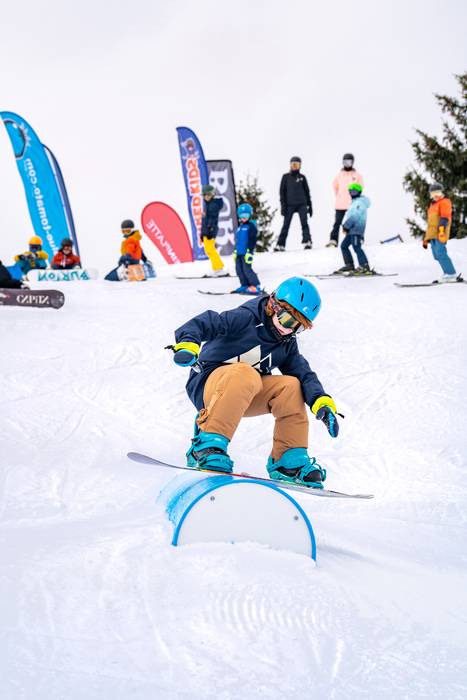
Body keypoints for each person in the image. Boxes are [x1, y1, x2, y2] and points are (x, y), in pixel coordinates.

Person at [170, 276, 339, 489]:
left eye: (298, 328)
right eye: (287, 321)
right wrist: (188, 344)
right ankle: (207, 445)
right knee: (245, 373)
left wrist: (321, 402)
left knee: (291, 386)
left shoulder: (285, 341)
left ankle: (289, 461)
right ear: (274, 305)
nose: (289, 330)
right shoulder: (246, 317)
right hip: (207, 384)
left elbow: (304, 374)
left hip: (243, 392)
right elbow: (206, 322)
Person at [422, 183, 458, 283]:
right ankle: (447, 273)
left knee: (441, 253)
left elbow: (445, 217)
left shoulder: (444, 202)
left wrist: (441, 230)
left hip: (440, 233)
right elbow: (430, 224)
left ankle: (451, 273)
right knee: (436, 255)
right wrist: (426, 239)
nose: (436, 196)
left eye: (438, 193)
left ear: (441, 192)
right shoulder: (432, 205)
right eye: (433, 194)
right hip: (432, 234)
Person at [275, 157, 313, 251]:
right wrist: (283, 206)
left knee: (304, 223)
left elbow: (307, 192)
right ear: (290, 165)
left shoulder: (302, 177)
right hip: (289, 205)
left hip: (302, 204)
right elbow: (282, 192)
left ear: (300, 166)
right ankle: (280, 244)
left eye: (297, 164)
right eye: (293, 164)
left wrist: (310, 205)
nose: (295, 166)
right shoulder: (286, 177)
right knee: (286, 224)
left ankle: (307, 241)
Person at [326, 153, 364, 247]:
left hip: (352, 204)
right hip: (340, 204)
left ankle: (357, 239)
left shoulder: (357, 175)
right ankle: (333, 240)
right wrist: (339, 196)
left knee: (354, 222)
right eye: (345, 162)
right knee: (337, 223)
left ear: (352, 162)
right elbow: (335, 186)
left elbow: (360, 187)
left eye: (349, 162)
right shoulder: (339, 175)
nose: (347, 164)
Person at [336, 183, 371, 274]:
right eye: (350, 191)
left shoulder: (360, 203)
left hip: (356, 229)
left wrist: (346, 225)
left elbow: (355, 216)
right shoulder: (354, 202)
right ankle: (349, 265)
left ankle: (364, 265)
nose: (352, 193)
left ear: (359, 192)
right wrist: (347, 227)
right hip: (351, 229)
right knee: (344, 246)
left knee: (356, 247)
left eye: (354, 191)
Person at [233, 203, 262, 295]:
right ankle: (245, 285)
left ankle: (255, 285)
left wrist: (250, 251)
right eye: (242, 215)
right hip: (239, 253)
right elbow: (237, 240)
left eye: (246, 215)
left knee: (247, 269)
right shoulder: (240, 227)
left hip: (246, 253)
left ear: (250, 215)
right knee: (239, 269)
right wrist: (235, 251)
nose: (244, 217)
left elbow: (252, 240)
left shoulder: (251, 226)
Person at [201, 184, 227, 277]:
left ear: (212, 195)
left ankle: (218, 268)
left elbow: (212, 219)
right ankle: (217, 267)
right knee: (209, 250)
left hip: (210, 230)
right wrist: (202, 233)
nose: (206, 197)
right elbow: (205, 219)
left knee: (210, 249)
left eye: (208, 195)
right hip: (207, 230)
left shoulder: (213, 205)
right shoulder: (208, 204)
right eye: (205, 195)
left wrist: (209, 229)